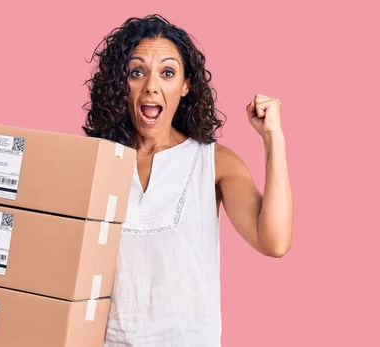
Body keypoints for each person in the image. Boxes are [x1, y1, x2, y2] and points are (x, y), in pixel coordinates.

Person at [82, 14, 293, 347]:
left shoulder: (215, 162)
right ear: (121, 84)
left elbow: (275, 241)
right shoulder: (93, 161)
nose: (151, 85)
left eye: (167, 73)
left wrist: (273, 137)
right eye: (137, 72)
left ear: (185, 85)